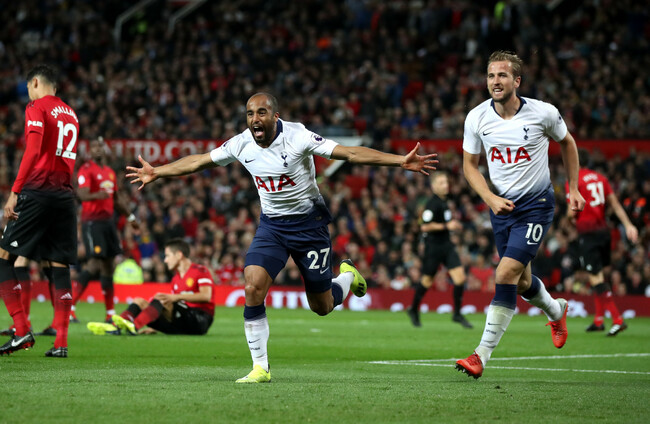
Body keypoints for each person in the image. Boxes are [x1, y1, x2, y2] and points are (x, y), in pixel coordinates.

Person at [127, 92, 438, 383]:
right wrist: (158, 172)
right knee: (252, 286)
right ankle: (260, 367)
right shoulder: (241, 143)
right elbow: (198, 161)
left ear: (276, 116)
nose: (255, 119)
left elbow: (350, 153)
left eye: (261, 112)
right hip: (272, 227)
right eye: (250, 113)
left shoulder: (298, 136)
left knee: (322, 306)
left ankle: (346, 277)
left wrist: (399, 160)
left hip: (309, 226)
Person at [455, 51, 585, 379]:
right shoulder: (476, 118)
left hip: (536, 205)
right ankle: (556, 310)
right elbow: (469, 166)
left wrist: (573, 188)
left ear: (517, 81)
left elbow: (568, 143)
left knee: (505, 273)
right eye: (490, 76)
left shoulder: (543, 113)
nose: (495, 81)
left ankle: (480, 355)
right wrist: (489, 198)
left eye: (502, 75)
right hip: (501, 209)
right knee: (522, 281)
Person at [0, 65, 80, 358]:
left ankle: (21, 330)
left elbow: (33, 151)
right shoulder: (71, 113)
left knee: (3, 258)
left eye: (29, 88)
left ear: (35, 82)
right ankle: (61, 343)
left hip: (38, 192)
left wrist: (14, 191)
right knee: (59, 266)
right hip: (64, 196)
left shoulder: (36, 107)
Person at [567, 148, 638, 336]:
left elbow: (571, 212)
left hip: (588, 233)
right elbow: (614, 204)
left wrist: (569, 218)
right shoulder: (601, 178)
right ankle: (599, 320)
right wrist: (628, 225)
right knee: (597, 275)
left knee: (595, 278)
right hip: (604, 232)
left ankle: (617, 319)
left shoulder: (575, 181)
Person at [70, 136, 139, 323]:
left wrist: (131, 217)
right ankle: (70, 308)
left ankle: (109, 313)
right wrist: (97, 194)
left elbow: (116, 200)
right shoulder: (86, 170)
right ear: (90, 150)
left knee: (109, 265)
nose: (98, 149)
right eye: (94, 146)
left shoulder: (109, 172)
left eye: (100, 146)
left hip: (108, 223)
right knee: (94, 264)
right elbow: (82, 194)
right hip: (92, 223)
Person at [87, 238, 215, 336]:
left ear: (179, 255)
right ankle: (116, 327)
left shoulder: (200, 271)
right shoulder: (176, 279)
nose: (165, 260)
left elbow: (206, 296)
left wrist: (175, 297)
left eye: (167, 256)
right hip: (181, 324)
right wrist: (154, 327)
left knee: (162, 299)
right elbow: (171, 309)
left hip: (200, 320)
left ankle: (134, 326)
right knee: (139, 301)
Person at [407, 171, 472, 328]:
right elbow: (424, 226)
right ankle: (413, 309)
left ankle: (457, 314)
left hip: (447, 245)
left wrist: (452, 225)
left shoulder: (445, 201)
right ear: (433, 186)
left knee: (460, 278)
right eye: (441, 183)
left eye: (446, 182)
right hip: (434, 247)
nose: (445, 185)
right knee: (427, 281)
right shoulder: (432, 204)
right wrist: (446, 226)